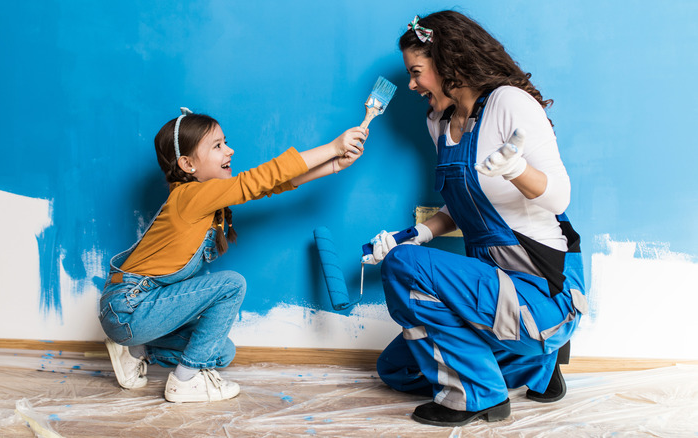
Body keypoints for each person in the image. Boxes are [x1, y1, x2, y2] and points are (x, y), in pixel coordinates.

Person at [363, 11, 587, 426]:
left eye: (417, 72)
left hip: (540, 294)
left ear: (449, 64)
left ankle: (479, 396)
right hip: (491, 292)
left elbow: (559, 197)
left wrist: (515, 169)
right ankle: (537, 367)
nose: (412, 84)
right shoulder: (440, 122)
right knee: (396, 369)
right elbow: (465, 207)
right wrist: (412, 236)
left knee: (403, 269)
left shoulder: (508, 103)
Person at [99, 107, 367, 403]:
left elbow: (271, 187)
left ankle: (136, 350)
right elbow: (259, 180)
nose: (230, 150)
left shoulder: (205, 199)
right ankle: (185, 381)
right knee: (231, 284)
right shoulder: (189, 197)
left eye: (225, 142)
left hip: (137, 312)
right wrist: (332, 147)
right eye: (217, 146)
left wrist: (333, 166)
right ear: (187, 164)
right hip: (129, 308)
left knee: (221, 351)